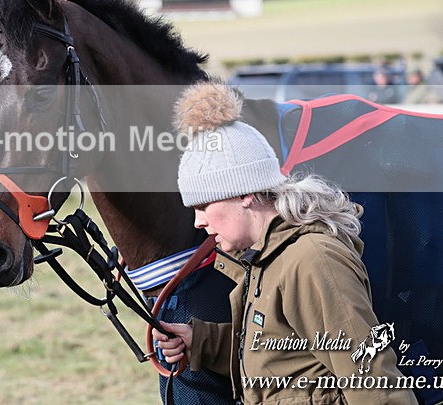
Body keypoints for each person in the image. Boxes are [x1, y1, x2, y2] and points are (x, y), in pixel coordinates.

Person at [152, 83, 416, 404]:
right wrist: (203, 342)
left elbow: (373, 383)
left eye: (203, 206)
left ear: (245, 193)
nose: (198, 222)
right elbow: (285, 356)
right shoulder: (267, 258)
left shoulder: (312, 260)